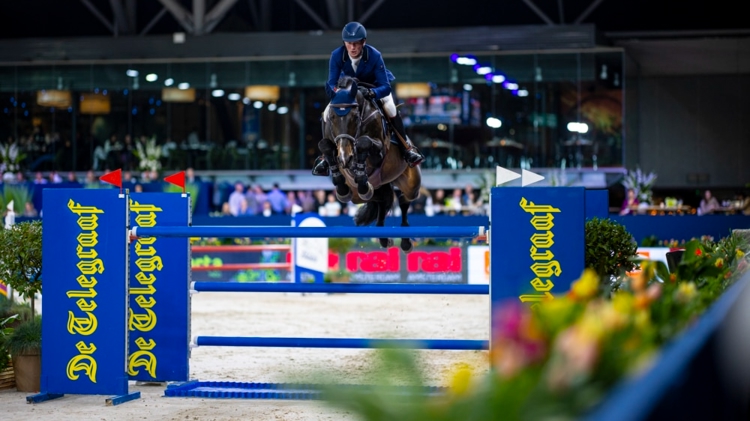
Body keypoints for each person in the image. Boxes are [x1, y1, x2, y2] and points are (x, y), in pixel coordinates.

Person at [312, 21, 424, 177]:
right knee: (326, 113)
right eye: (349, 43)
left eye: (356, 44)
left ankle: (407, 149)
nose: (352, 48)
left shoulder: (374, 55)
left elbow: (385, 86)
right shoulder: (336, 55)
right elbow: (331, 83)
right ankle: (325, 157)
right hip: (348, 91)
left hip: (374, 87)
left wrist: (372, 93)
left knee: (390, 108)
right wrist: (338, 94)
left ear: (363, 42)